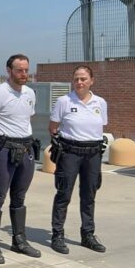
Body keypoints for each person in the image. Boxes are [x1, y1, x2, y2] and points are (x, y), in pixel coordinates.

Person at [49, 65, 108, 255]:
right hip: (70, 152)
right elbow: (53, 127)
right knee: (63, 194)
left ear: (92, 80)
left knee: (89, 195)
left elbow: (101, 126)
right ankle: (57, 234)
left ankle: (88, 235)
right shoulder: (63, 101)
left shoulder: (100, 102)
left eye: (83, 79)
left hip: (93, 154)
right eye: (76, 79)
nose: (79, 82)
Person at [0, 54, 42, 264]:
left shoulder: (30, 92)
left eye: (26, 70)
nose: (24, 74)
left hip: (25, 149)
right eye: (19, 70)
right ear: (9, 70)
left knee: (19, 197)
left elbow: (26, 118)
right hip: (4, 150)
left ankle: (19, 240)